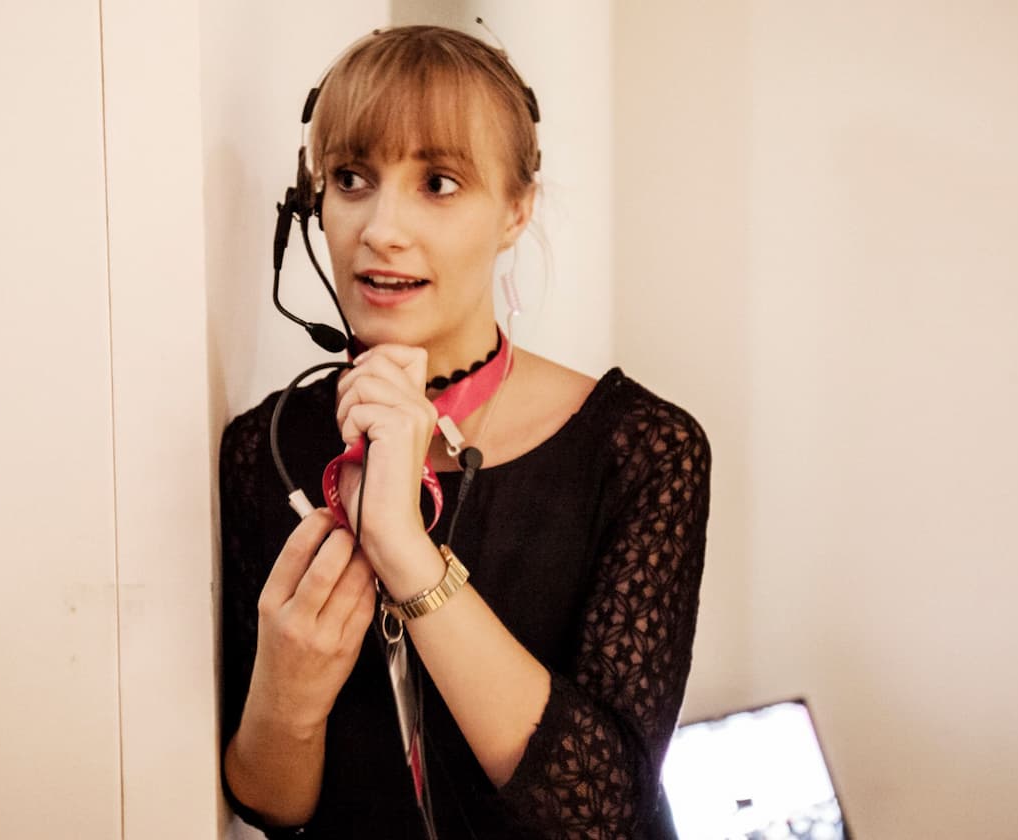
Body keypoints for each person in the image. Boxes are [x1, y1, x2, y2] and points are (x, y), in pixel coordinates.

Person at [219, 25, 711, 840]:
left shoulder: (643, 450)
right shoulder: (259, 451)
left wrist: (407, 553)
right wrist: (288, 691)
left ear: (516, 210)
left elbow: (603, 812)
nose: (381, 228)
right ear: (313, 204)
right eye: (350, 179)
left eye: (439, 183)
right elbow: (270, 804)